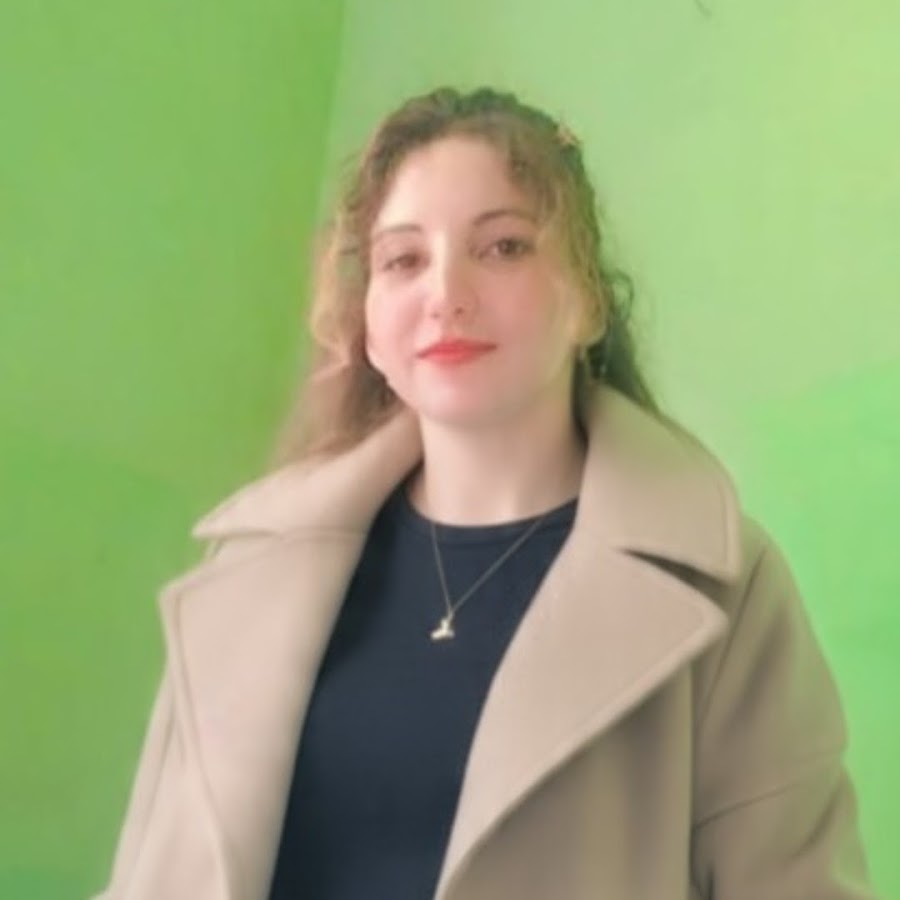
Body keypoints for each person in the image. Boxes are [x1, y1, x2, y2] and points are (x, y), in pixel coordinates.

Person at [93, 86, 878, 899]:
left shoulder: (724, 584)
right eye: (404, 260)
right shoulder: (250, 564)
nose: (447, 294)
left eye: (503, 247)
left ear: (589, 301)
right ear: (369, 323)